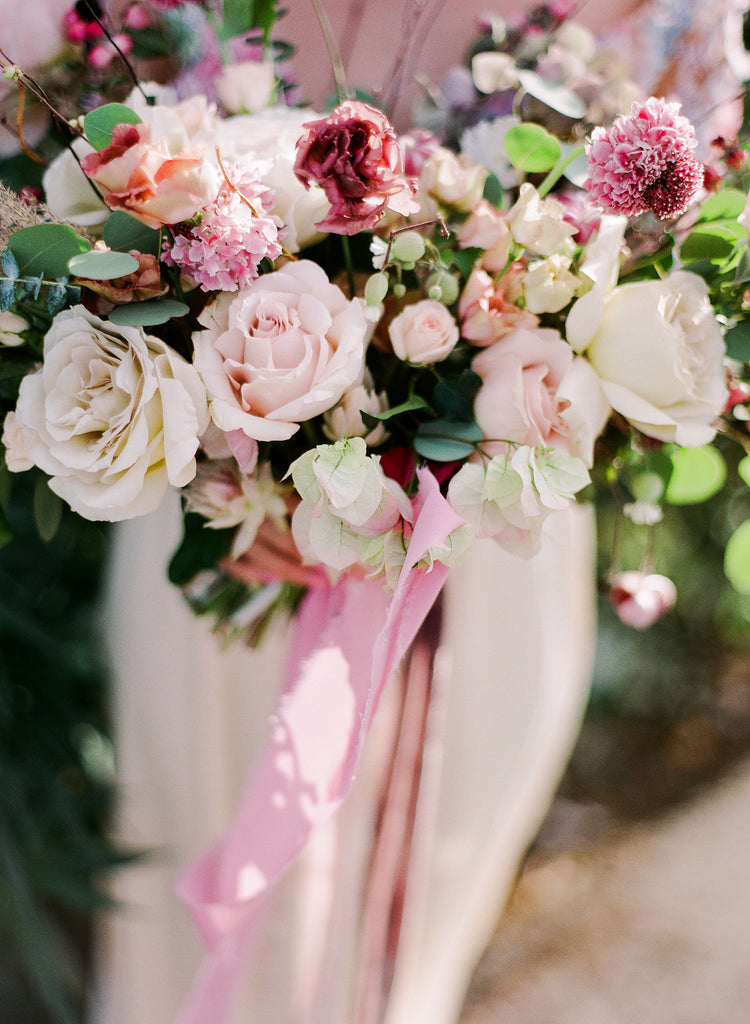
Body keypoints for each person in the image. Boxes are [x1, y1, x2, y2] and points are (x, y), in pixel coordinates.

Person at [93, 1, 744, 1022]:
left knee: (406, 945)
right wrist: (224, 480)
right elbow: (92, 224)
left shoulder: (649, 18)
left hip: (484, 552)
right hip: (221, 543)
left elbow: (688, 270)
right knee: (183, 891)